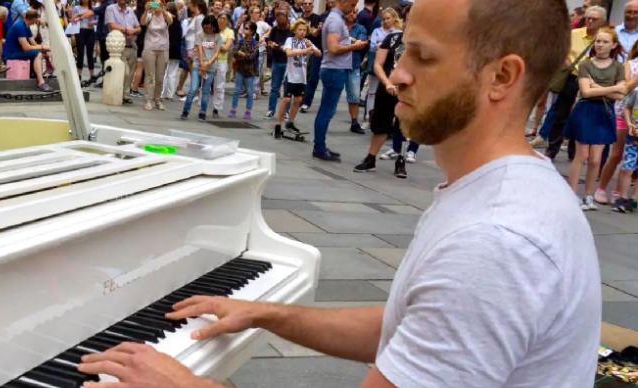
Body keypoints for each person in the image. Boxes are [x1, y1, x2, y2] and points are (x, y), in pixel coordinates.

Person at [80, 1, 601, 387]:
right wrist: (267, 313)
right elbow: (407, 329)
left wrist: (188, 385)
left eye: (421, 56)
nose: (397, 74)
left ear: (501, 76)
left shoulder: (494, 241)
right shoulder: (513, 187)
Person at [566, 27, 627, 211]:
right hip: (585, 110)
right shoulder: (585, 64)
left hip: (605, 112)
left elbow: (621, 94)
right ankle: (571, 194)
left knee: (595, 159)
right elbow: (585, 91)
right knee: (582, 155)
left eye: (604, 41)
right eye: (598, 41)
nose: (600, 44)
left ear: (613, 45)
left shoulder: (617, 66)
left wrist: (596, 86)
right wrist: (610, 89)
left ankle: (588, 196)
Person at [540, 5, 606, 160]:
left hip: (591, 80)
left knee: (581, 117)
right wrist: (570, 65)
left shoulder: (603, 38)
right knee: (560, 114)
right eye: (588, 18)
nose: (590, 21)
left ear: (602, 21)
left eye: (594, 19)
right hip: (571, 77)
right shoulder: (574, 34)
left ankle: (573, 152)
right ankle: (552, 148)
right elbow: (563, 52)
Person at [312, 0, 367, 161]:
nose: (353, 8)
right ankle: (319, 148)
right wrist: (354, 47)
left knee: (326, 110)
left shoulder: (335, 19)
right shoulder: (335, 20)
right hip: (334, 69)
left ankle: (320, 146)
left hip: (334, 68)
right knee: (327, 111)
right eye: (351, 4)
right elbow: (334, 48)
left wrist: (351, 42)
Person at [353, 25, 409, 174]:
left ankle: (401, 161)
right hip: (387, 88)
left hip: (408, 92)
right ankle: (371, 158)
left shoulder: (422, 44)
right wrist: (387, 83)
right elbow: (378, 64)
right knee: (380, 124)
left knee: (404, 127)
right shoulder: (393, 39)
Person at [595, 39, 638, 204]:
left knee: (634, 157)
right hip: (624, 112)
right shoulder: (630, 64)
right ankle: (601, 188)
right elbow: (625, 87)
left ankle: (621, 192)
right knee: (617, 153)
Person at [274, 18, 321, 136]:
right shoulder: (290, 40)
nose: (302, 32)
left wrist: (312, 48)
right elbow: (289, 53)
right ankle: (278, 124)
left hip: (302, 77)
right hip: (290, 76)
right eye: (300, 29)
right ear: (295, 30)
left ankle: (290, 122)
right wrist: (305, 50)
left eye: (304, 30)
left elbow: (319, 53)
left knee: (298, 100)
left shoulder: (307, 41)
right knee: (286, 100)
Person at [364, 8, 402, 126]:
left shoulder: (398, 32)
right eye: (383, 18)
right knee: (372, 92)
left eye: (388, 18)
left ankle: (391, 120)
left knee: (392, 93)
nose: (385, 21)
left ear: (394, 19)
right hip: (377, 63)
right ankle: (368, 118)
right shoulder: (377, 30)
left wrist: (382, 44)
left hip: (391, 67)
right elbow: (373, 45)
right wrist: (381, 45)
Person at [181, 15, 222, 120]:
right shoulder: (200, 34)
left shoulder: (218, 37)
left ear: (214, 27)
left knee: (206, 90)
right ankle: (186, 110)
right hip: (198, 65)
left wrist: (208, 63)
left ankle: (202, 111)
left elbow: (216, 53)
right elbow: (199, 49)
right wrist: (202, 63)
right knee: (193, 89)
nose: (207, 29)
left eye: (210, 27)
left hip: (211, 67)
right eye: (205, 27)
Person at [2, 9, 54, 92]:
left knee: (41, 53)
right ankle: (41, 82)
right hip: (11, 54)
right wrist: (42, 47)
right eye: (37, 19)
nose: (37, 21)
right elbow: (26, 47)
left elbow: (33, 44)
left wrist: (43, 49)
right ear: (33, 19)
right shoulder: (19, 26)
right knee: (38, 54)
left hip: (18, 52)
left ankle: (40, 73)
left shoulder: (26, 26)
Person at [105, 0, 141, 103]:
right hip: (119, 46)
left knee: (130, 74)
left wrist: (134, 31)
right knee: (125, 72)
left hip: (132, 45)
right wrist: (126, 30)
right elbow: (111, 25)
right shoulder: (111, 8)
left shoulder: (130, 10)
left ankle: (124, 95)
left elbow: (138, 27)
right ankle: (117, 93)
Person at [140, 0, 172, 111]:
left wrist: (163, 11)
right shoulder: (149, 15)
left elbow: (170, 21)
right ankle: (148, 100)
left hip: (163, 49)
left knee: (160, 77)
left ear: (163, 5)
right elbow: (142, 23)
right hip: (150, 48)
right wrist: (145, 10)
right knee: (150, 76)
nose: (156, 6)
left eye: (159, 4)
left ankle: (158, 100)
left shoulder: (166, 15)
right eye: (155, 3)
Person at [613, 89, 638, 212]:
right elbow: (627, 107)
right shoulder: (636, 92)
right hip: (633, 138)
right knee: (627, 168)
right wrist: (629, 123)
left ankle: (634, 199)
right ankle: (622, 197)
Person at [228, 20, 258, 119]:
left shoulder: (255, 43)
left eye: (247, 28)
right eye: (244, 28)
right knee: (237, 90)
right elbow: (234, 52)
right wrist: (240, 54)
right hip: (240, 69)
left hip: (250, 71)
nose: (244, 30)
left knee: (250, 92)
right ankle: (233, 109)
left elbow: (252, 56)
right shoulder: (241, 41)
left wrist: (242, 54)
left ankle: (248, 111)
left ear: (252, 31)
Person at [265, 9, 291, 117]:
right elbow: (269, 40)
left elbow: (289, 46)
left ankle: (286, 111)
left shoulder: (291, 30)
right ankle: (271, 110)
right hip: (276, 61)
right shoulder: (274, 29)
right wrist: (270, 43)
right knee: (274, 87)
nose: (280, 19)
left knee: (287, 88)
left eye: (282, 16)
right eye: (278, 17)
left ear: (286, 17)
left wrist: (279, 46)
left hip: (288, 62)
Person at [345, 8, 367, 134]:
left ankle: (354, 122)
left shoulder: (361, 28)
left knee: (354, 95)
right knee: (331, 95)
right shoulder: (340, 26)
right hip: (338, 65)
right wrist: (354, 41)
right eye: (350, 12)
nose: (352, 14)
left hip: (353, 65)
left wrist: (346, 40)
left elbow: (361, 44)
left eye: (354, 12)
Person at [212, 12, 234, 118]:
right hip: (210, 60)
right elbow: (204, 43)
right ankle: (202, 107)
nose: (221, 20)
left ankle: (216, 108)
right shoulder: (211, 30)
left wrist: (215, 44)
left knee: (219, 86)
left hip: (221, 61)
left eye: (224, 18)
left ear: (227, 21)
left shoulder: (230, 32)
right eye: (220, 18)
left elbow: (226, 48)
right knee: (205, 85)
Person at [161, 2, 183, 100]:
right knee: (172, 73)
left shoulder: (166, 20)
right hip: (176, 49)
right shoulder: (178, 21)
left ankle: (161, 93)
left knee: (164, 72)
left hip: (167, 48)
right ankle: (170, 94)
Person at [72, 0, 97, 81]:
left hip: (90, 31)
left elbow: (98, 20)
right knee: (80, 53)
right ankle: (78, 74)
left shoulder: (93, 8)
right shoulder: (76, 7)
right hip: (80, 31)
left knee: (90, 53)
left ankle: (92, 75)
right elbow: (72, 19)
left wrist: (92, 22)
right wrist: (79, 16)